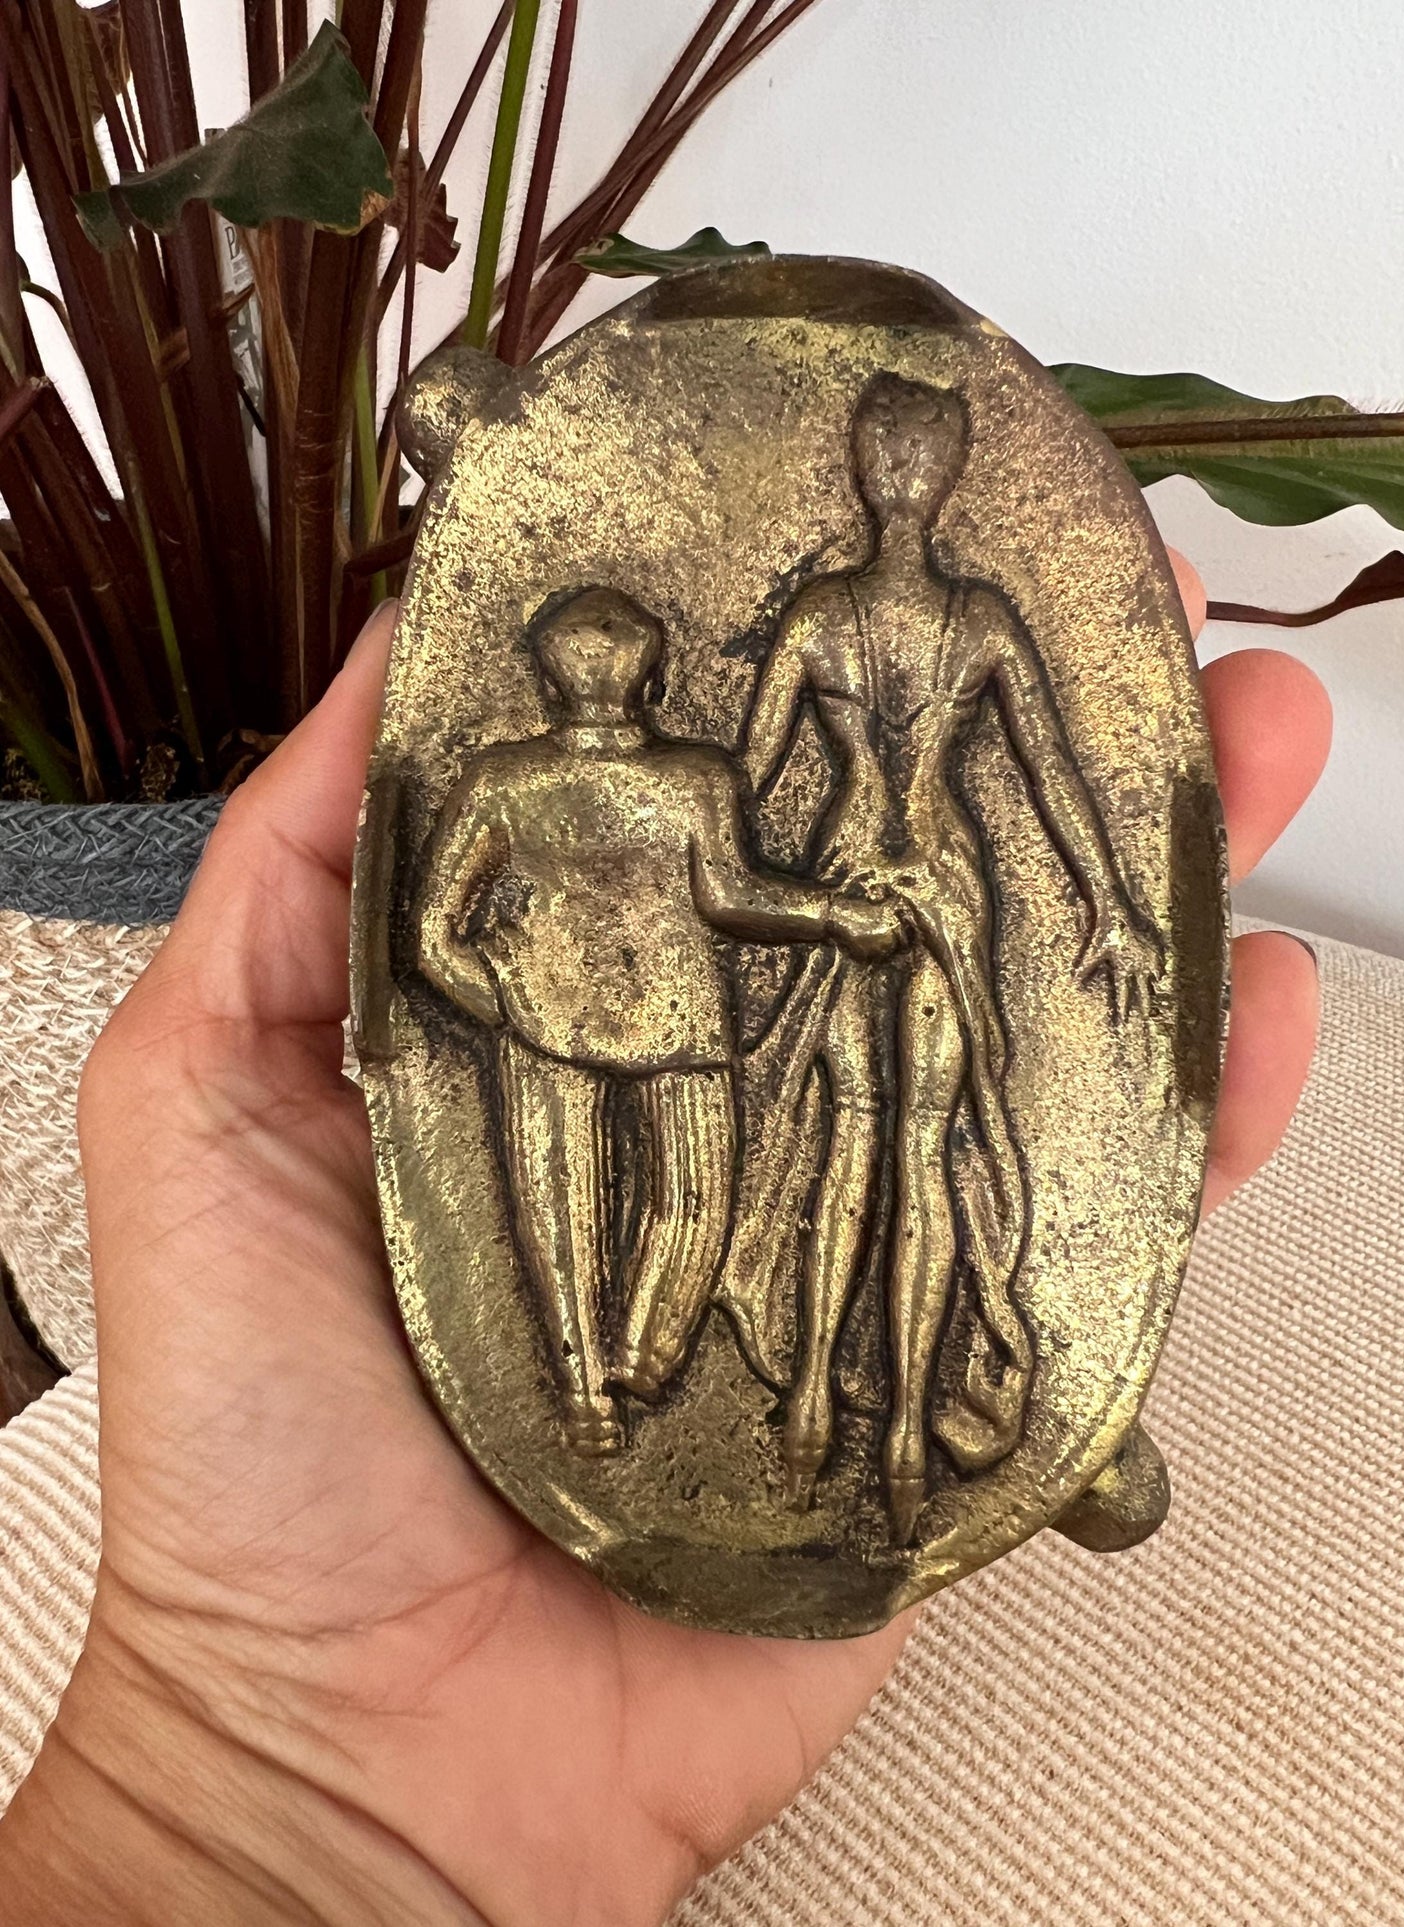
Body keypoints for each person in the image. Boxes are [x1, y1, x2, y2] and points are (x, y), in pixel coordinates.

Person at [0, 570, 1327, 1923]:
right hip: (605, 1022)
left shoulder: (629, 775)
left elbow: (655, 899)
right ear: (622, 676)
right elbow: (534, 916)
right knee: (620, 1213)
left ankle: (617, 1359)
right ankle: (594, 1371)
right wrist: (513, 982)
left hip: (623, 1024)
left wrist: (552, 977)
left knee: (640, 1214)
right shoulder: (547, 778)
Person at [730, 373, 1161, 1539]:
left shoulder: (823, 615)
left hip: (845, 875)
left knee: (857, 1138)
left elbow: (743, 788)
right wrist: (1106, 895)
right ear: (938, 474)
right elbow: (1049, 772)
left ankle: (823, 1392)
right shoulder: (975, 620)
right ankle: (905, 1430)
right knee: (908, 1146)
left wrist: (1113, 896)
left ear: (874, 475)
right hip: (944, 883)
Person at [416, 585, 901, 1454]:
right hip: (674, 1020)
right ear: (655, 679)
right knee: (691, 1198)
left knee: (558, 1207)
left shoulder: (504, 780)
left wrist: (509, 1007)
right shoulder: (692, 777)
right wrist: (832, 913)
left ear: (550, 680)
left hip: (554, 1015)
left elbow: (431, 937)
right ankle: (645, 1352)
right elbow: (733, 896)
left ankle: (589, 1386)